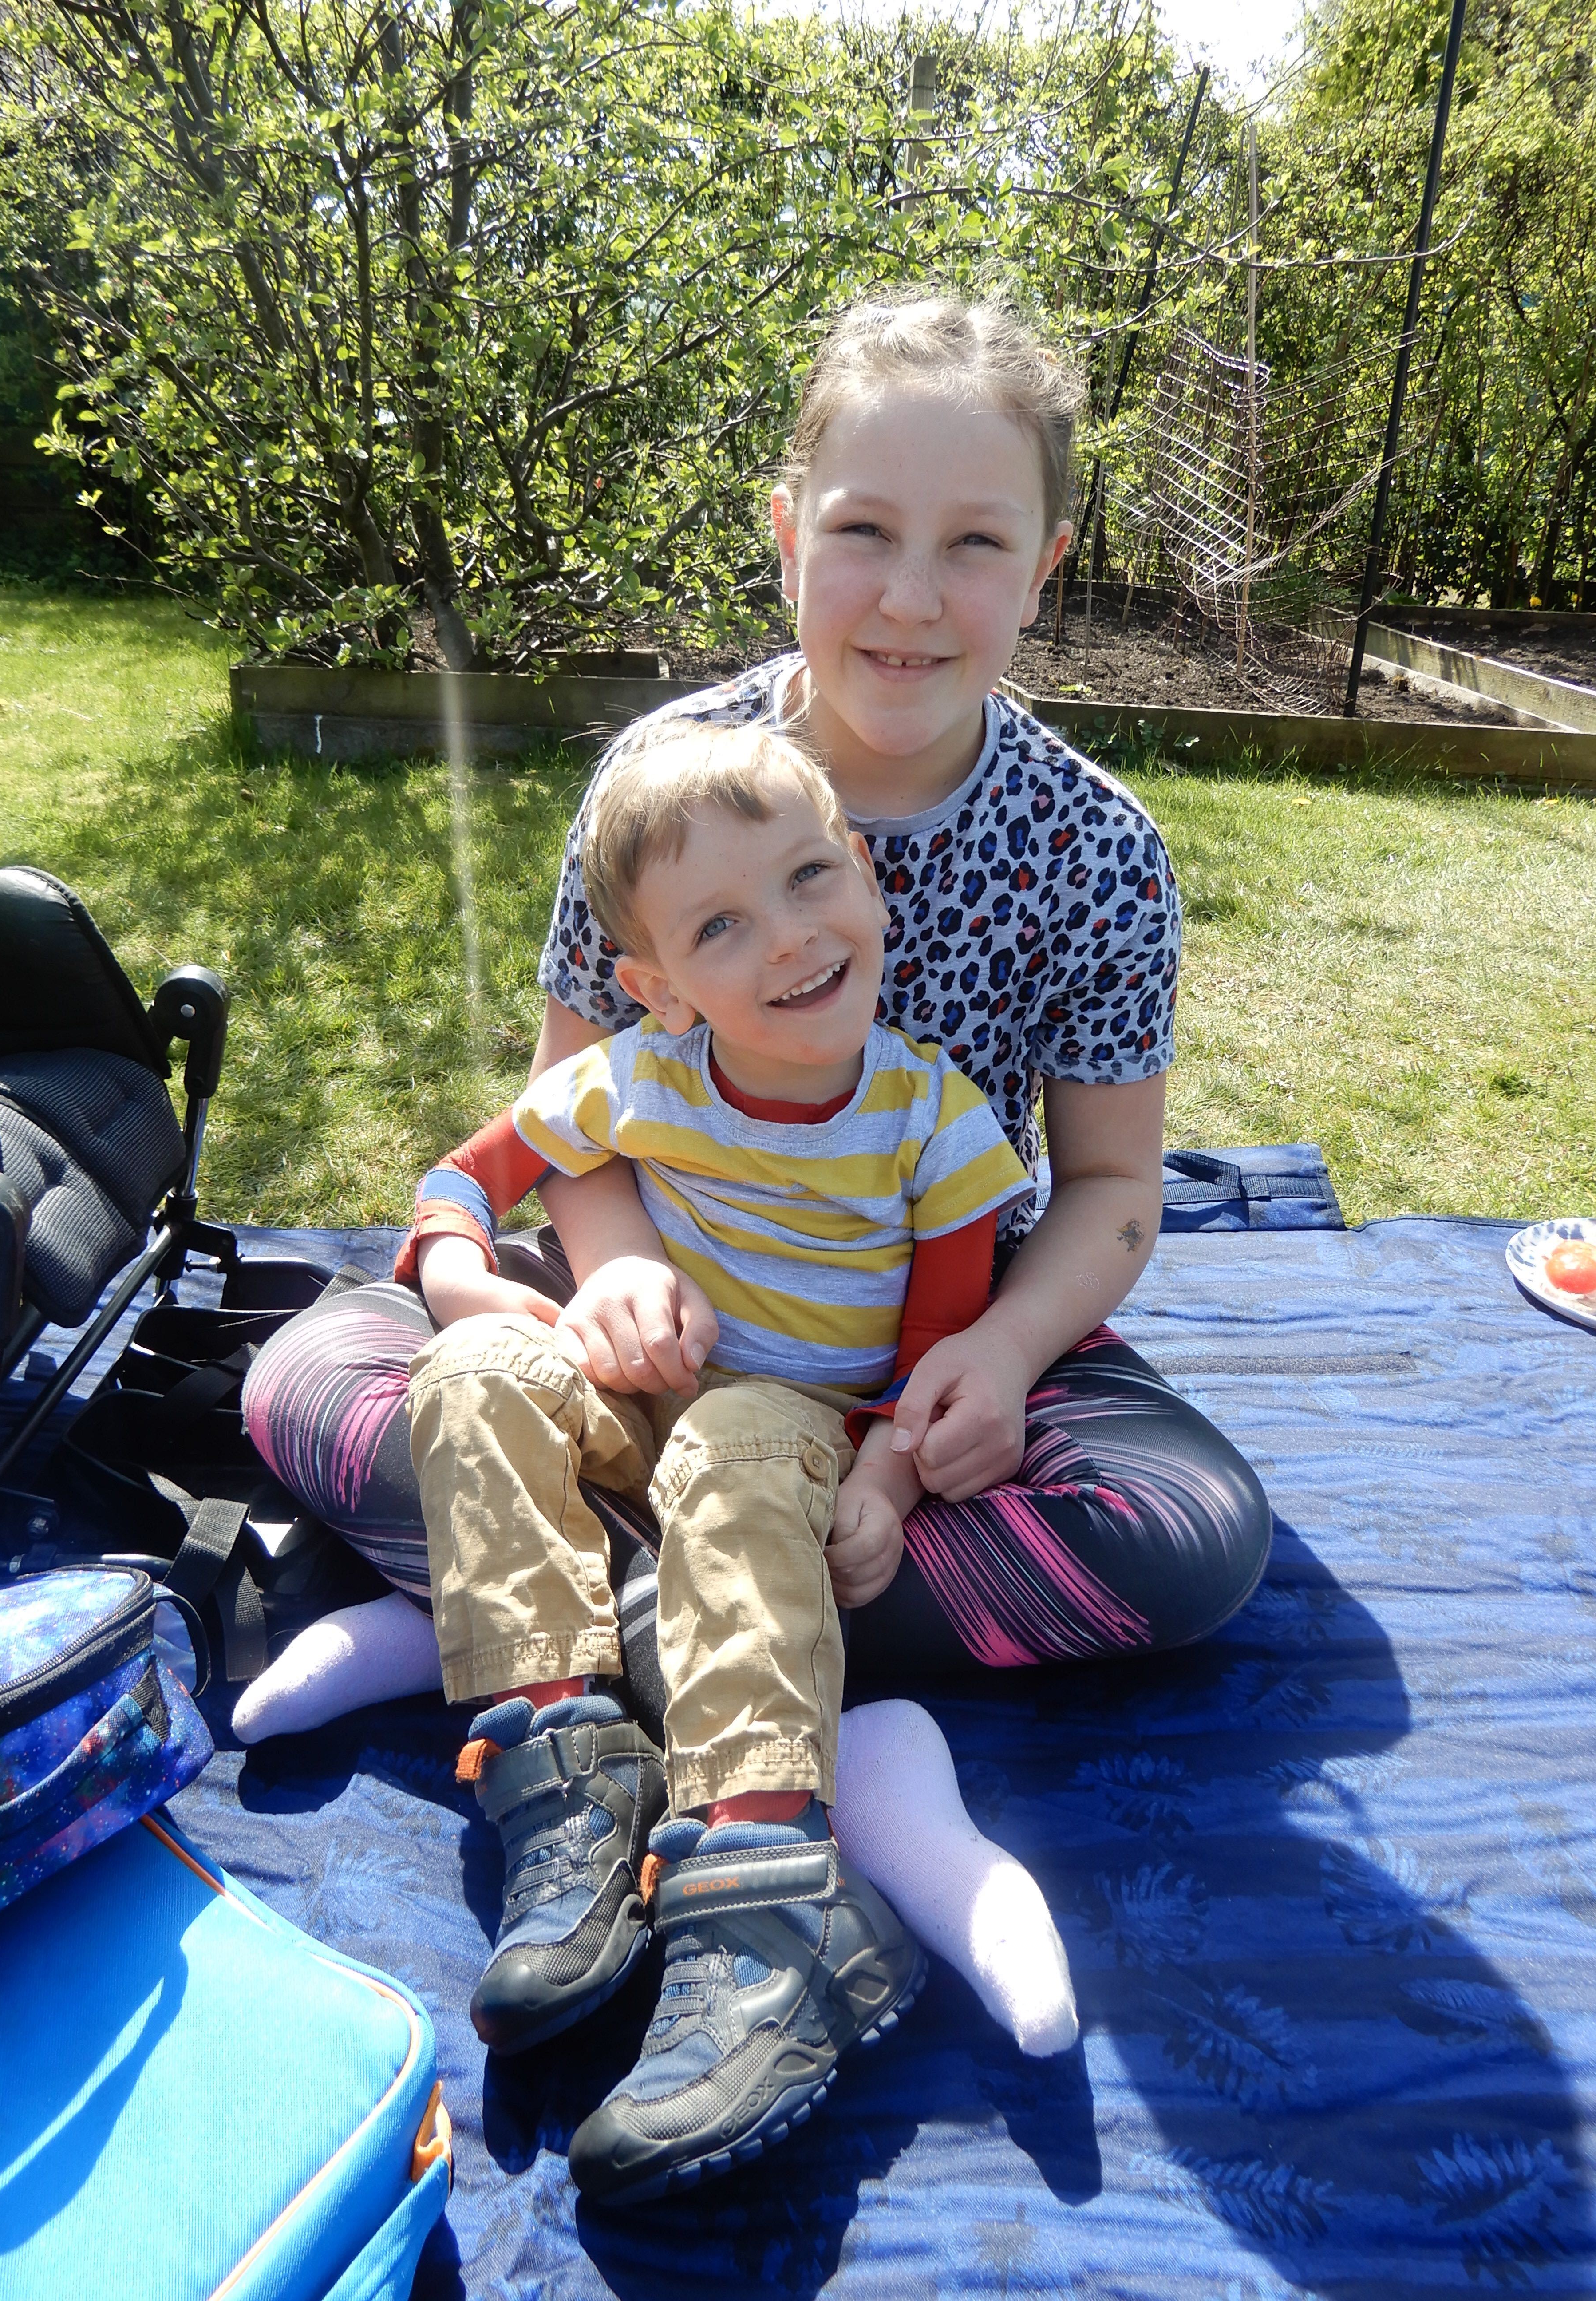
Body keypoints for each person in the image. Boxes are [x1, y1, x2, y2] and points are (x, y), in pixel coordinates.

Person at [235, 281, 1268, 2083]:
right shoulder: (658, 787)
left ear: (1049, 565)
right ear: (793, 534)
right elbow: (581, 1108)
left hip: (905, 1345)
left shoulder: (1099, 848)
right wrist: (617, 1275)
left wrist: (1008, 1360)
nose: (912, 596)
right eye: (863, 533)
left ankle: (502, 1617)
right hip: (659, 1326)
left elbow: (1107, 1189)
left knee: (1193, 1543)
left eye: (975, 544)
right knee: (304, 1386)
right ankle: (782, 1722)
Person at [382, 720, 1054, 2201]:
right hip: (643, 1404)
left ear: (870, 878)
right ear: (657, 984)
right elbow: (463, 1174)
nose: (793, 940)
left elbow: (931, 1354)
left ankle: (770, 1886)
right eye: (721, 926)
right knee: (479, 1367)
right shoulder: (635, 1075)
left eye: (814, 879)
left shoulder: (934, 1121)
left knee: (747, 1437)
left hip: (792, 1424)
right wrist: (450, 1269)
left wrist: (885, 1482)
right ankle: (568, 1762)